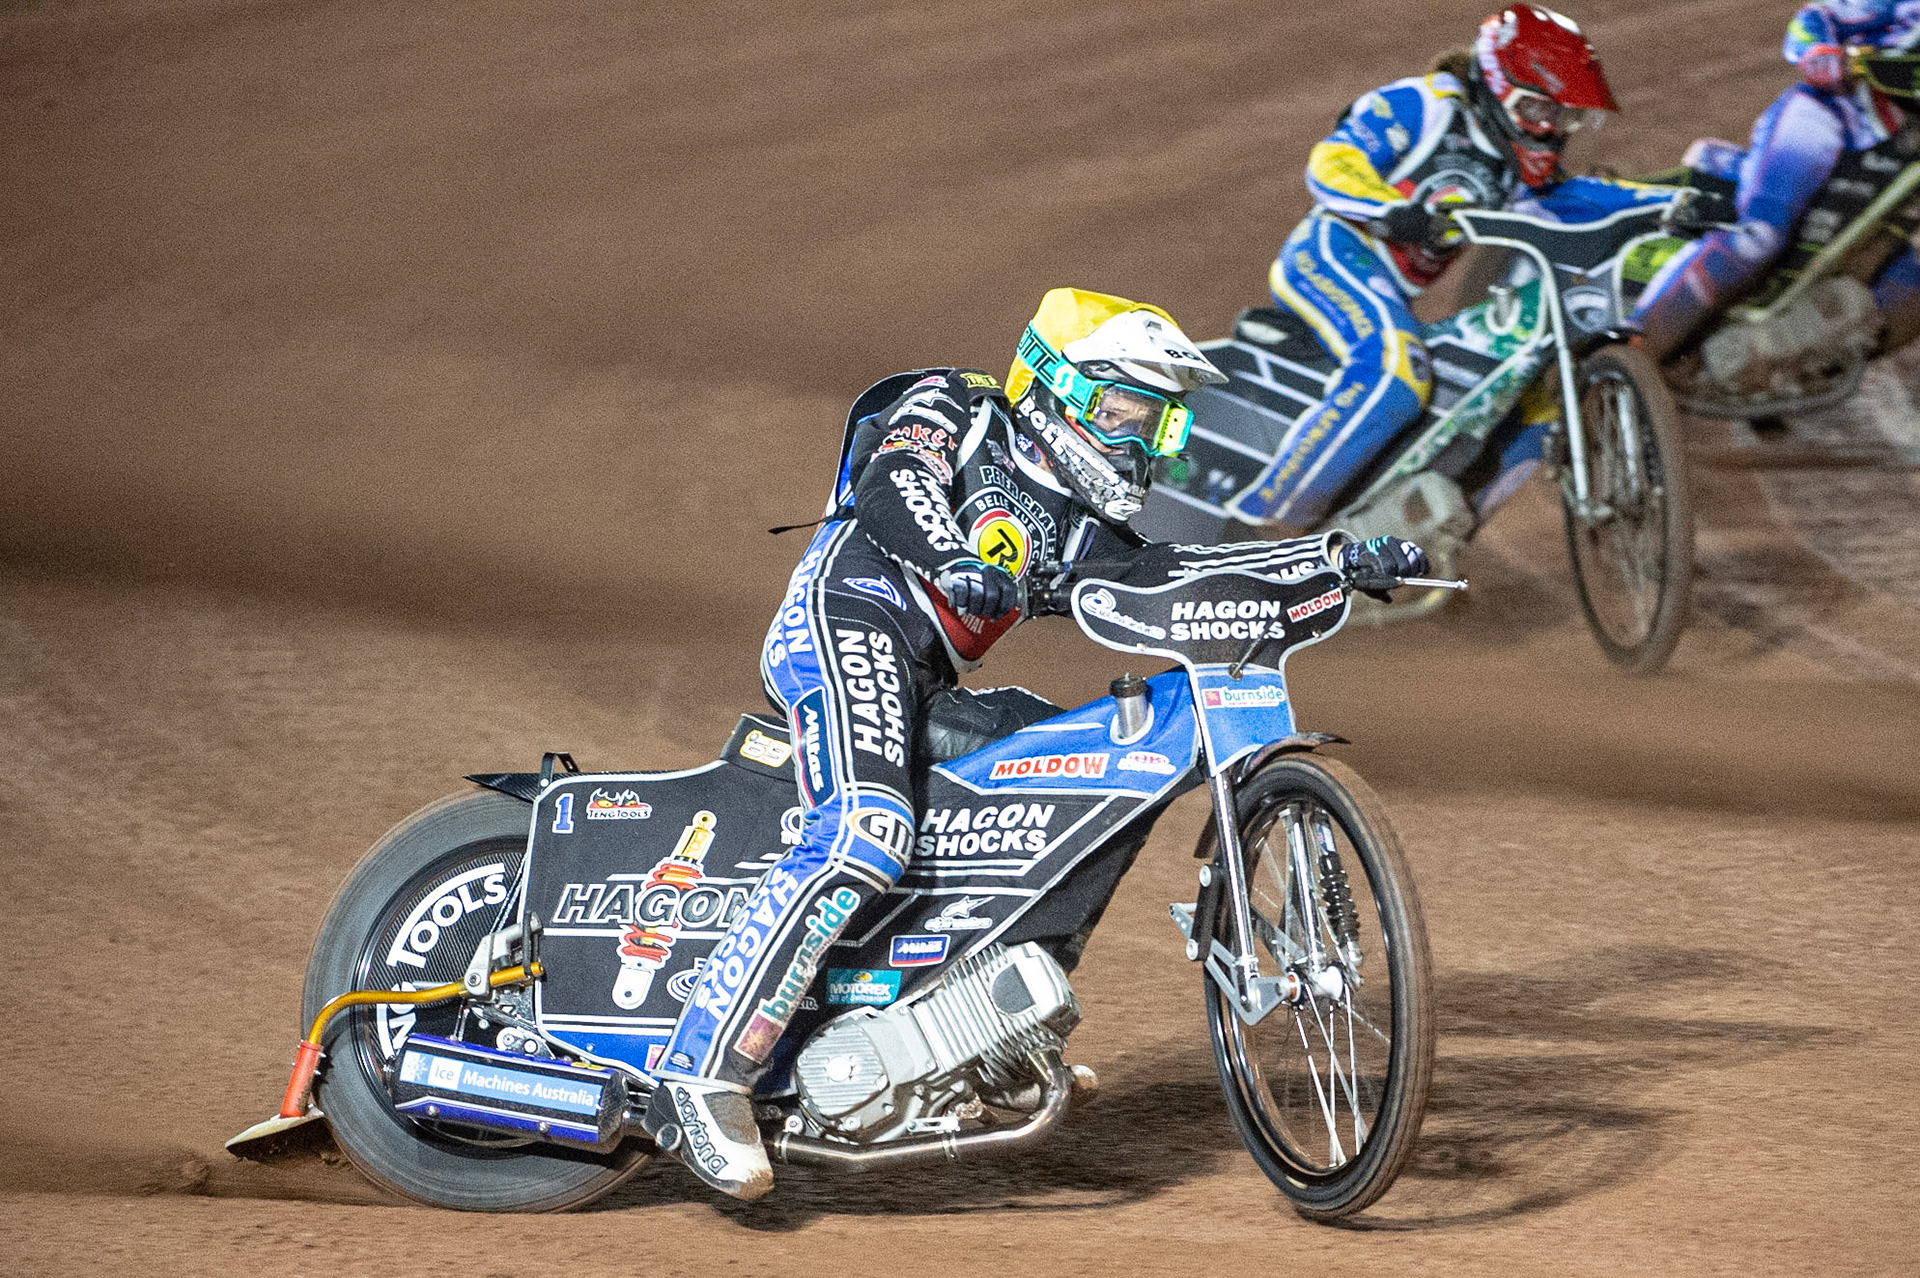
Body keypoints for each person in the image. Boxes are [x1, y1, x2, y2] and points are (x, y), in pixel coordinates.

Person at [639, 287, 1430, 1199]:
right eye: (1126, 410)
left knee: (1086, 793)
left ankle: (975, 1029)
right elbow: (894, 483)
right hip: (843, 623)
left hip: (926, 680)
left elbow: (1179, 573)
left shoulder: (1087, 522)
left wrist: (1331, 557)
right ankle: (700, 1068)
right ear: (1054, 387)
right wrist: (951, 559)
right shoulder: (957, 407)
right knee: (866, 830)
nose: (1140, 441)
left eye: (1158, 422)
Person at [1229, 5, 1626, 528]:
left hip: (1388, 292)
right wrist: (1392, 212)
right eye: (1538, 110)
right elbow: (1331, 162)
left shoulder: (1520, 174)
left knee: (1534, 416)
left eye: (1564, 117)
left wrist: (1683, 200)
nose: (1550, 131)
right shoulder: (1426, 104)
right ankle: (1263, 526)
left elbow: (1587, 202)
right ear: (1497, 86)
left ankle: (1415, 542)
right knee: (1398, 370)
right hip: (1330, 253)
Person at [1631, 1, 1920, 359]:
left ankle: (1796, 369)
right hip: (1835, 115)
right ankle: (1637, 344)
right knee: (1758, 238)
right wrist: (1820, 52)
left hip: (1903, 152)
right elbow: (1812, 20)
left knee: (1909, 292)